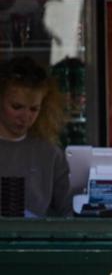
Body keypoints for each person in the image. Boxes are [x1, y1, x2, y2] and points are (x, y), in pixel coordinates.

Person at [0, 57, 71, 217]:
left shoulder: (50, 154)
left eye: (34, 109)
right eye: (17, 107)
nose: (25, 117)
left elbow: (67, 213)